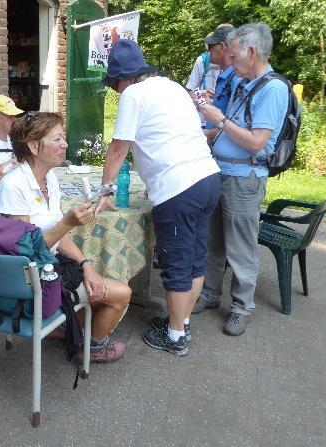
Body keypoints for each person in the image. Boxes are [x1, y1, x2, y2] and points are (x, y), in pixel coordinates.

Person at [96, 39, 221, 357]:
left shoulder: (133, 95)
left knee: (176, 264)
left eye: (114, 86)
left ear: (121, 79)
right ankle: (181, 321)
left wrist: (105, 191)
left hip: (178, 189)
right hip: (207, 178)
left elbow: (117, 149)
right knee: (194, 257)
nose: (116, 92)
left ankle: (176, 337)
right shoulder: (173, 87)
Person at [0, 112, 131, 363]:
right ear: (34, 146)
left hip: (47, 268)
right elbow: (22, 253)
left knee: (98, 285)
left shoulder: (48, 178)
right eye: (57, 139)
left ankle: (64, 327)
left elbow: (57, 236)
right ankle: (92, 347)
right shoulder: (13, 185)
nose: (65, 144)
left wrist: (86, 265)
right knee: (121, 294)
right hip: (26, 281)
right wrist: (68, 222)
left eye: (63, 137)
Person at [198, 23, 290, 336]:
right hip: (220, 172)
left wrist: (218, 119)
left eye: (234, 55)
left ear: (251, 52)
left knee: (240, 246)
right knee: (213, 241)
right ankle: (210, 294)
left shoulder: (273, 89)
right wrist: (202, 132)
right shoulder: (244, 82)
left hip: (244, 179)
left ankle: (241, 307)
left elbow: (255, 142)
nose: (229, 60)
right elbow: (228, 129)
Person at [201, 24, 240, 135]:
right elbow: (223, 116)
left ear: (222, 47)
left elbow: (238, 126)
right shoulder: (226, 76)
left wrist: (208, 134)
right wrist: (209, 105)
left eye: (210, 47)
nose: (208, 51)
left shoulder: (236, 78)